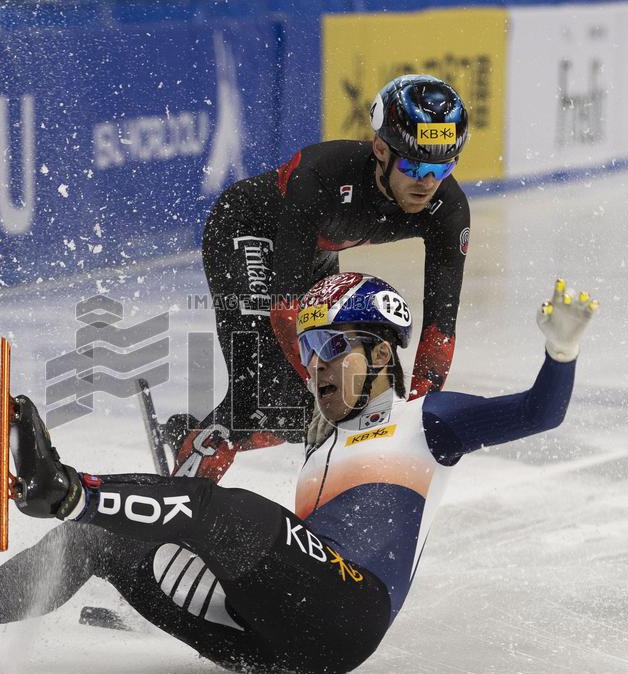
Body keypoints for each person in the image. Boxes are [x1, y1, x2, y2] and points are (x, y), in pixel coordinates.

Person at [0, 274, 598, 674]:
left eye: (333, 346)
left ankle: (66, 487)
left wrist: (559, 353)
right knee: (100, 539)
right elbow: (219, 516)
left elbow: (539, 412)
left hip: (351, 612)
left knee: (226, 509)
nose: (316, 367)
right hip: (264, 637)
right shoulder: (319, 442)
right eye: (309, 352)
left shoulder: (425, 419)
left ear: (382, 352)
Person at [169, 74, 473, 483]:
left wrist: (416, 415)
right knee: (258, 393)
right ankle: (182, 491)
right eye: (414, 164)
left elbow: (440, 331)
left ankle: (196, 440)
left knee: (298, 412)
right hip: (248, 229)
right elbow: (284, 310)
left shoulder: (447, 207)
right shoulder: (322, 173)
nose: (428, 182)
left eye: (444, 165)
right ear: (381, 149)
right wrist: (316, 382)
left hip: (314, 256)